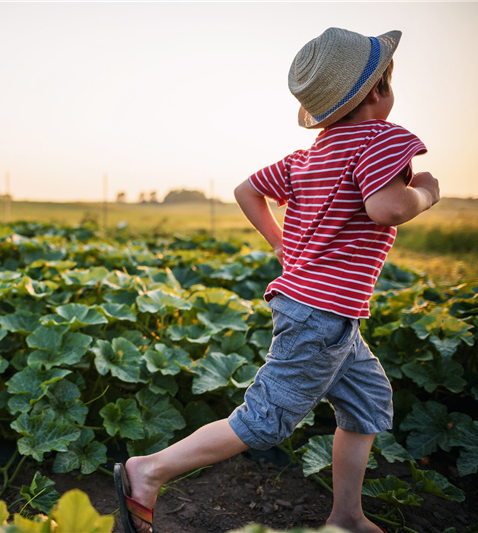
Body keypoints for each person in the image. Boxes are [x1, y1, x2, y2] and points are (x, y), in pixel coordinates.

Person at [114, 27, 440, 533]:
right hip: (321, 316)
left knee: (368, 400)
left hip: (328, 315)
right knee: (264, 421)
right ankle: (147, 470)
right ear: (380, 89)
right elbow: (387, 208)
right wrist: (425, 191)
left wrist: (279, 242)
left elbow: (247, 190)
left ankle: (347, 517)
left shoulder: (310, 155)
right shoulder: (382, 138)